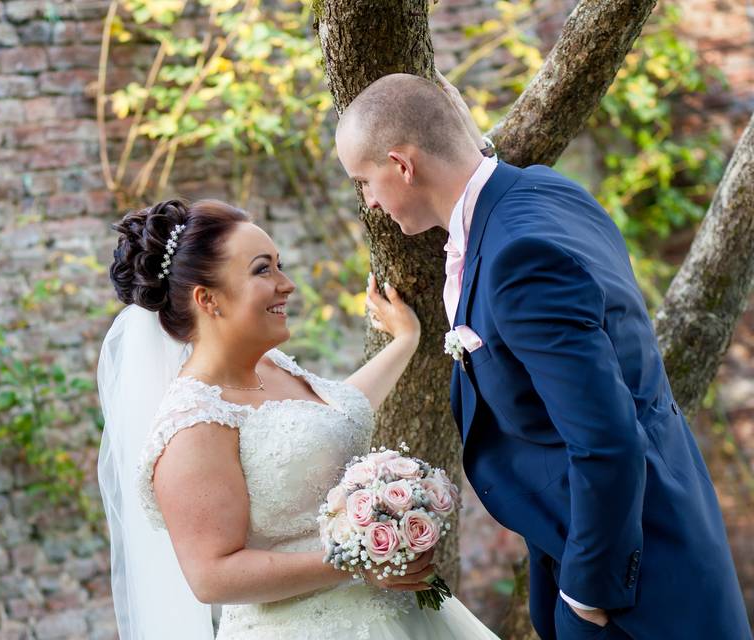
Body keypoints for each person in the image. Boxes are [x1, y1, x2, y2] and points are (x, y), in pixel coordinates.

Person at [334, 72, 752, 640]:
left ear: (401, 165)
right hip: (648, 529)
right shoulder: (545, 191)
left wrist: (585, 594)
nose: (371, 202)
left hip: (635, 586)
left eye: (364, 181)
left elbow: (606, 438)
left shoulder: (517, 258)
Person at [97, 198, 500, 639]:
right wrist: (359, 562)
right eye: (262, 270)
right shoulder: (193, 425)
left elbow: (337, 412)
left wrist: (405, 341)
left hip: (398, 613)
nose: (286, 284)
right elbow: (211, 575)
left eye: (279, 265)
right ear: (208, 299)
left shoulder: (270, 365)